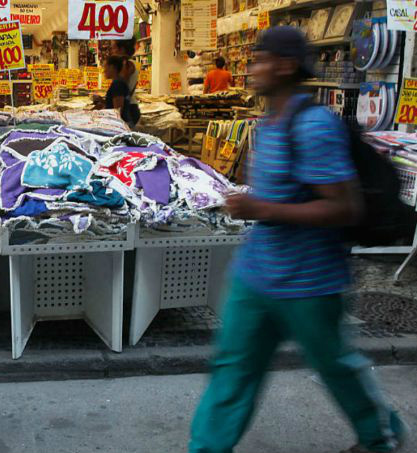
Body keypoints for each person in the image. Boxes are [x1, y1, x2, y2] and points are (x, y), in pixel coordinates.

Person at [189, 27, 407, 453]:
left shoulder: (315, 127)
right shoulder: (269, 123)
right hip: (256, 276)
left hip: (311, 282)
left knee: (337, 367)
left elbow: (346, 208)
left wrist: (261, 210)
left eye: (260, 59)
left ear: (285, 65)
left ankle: (380, 434)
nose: (252, 68)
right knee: (232, 369)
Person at [102, 56, 140, 128]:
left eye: (105, 67)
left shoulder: (117, 84)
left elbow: (118, 111)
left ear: (112, 67)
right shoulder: (120, 82)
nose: (104, 71)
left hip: (121, 125)